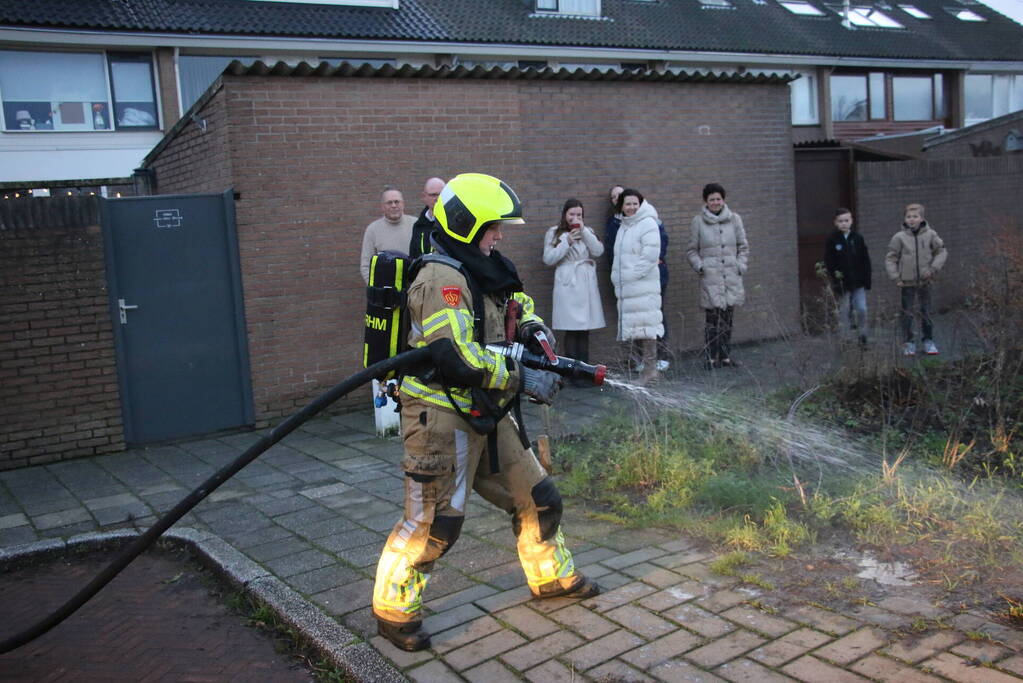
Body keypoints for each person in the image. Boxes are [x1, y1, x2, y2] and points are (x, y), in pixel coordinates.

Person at [372, 173, 601, 652]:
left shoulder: (485, 264)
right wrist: (525, 377)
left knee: (540, 498)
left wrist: (535, 332)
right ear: (465, 224)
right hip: (439, 415)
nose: (499, 235)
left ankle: (552, 579)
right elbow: (455, 358)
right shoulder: (441, 279)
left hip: (486, 409)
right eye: (493, 226)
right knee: (435, 526)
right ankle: (394, 611)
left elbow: (516, 302)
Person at [605, 185, 670, 373]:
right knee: (638, 328)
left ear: (640, 204)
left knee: (648, 327)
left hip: (643, 286)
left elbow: (650, 255)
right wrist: (617, 278)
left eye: (635, 203)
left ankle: (651, 371)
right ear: (621, 206)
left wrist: (629, 276)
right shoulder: (625, 225)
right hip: (631, 289)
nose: (631, 207)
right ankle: (647, 370)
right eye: (628, 204)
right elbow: (617, 257)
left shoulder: (647, 222)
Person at [686, 183, 749, 370]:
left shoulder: (735, 219)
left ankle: (725, 356)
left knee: (727, 319)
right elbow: (691, 250)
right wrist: (701, 266)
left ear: (723, 200)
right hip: (710, 278)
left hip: (731, 276)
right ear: (706, 201)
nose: (715, 202)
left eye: (718, 199)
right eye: (712, 199)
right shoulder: (698, 222)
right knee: (712, 320)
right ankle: (711, 358)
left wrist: (740, 265)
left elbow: (743, 246)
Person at [542, 199, 605, 376]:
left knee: (585, 329)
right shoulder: (554, 233)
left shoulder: (588, 232)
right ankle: (572, 372)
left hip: (585, 285)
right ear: (565, 215)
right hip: (568, 284)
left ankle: (586, 371)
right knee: (571, 329)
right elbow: (548, 259)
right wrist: (566, 241)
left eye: (579, 215)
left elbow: (598, 251)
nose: (575, 218)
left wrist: (584, 232)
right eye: (572, 214)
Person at [885, 203, 947, 356]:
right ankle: (908, 342)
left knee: (926, 311)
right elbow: (891, 258)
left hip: (925, 281)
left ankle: (928, 341)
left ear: (922, 218)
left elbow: (941, 251)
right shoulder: (899, 237)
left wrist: (933, 269)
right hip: (907, 282)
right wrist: (895, 276)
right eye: (908, 217)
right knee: (907, 313)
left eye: (915, 216)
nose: (911, 220)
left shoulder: (931, 234)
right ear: (905, 219)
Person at [824, 208, 872, 346]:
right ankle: (845, 338)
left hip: (858, 281)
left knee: (862, 309)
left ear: (851, 221)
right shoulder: (832, 240)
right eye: (841, 221)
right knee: (844, 311)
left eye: (846, 220)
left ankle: (863, 336)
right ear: (835, 223)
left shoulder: (857, 238)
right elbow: (829, 261)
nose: (844, 223)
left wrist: (867, 279)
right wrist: (835, 279)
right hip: (842, 283)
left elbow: (865, 260)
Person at [359, 187, 416, 283]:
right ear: (382, 207)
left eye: (397, 202)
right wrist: (376, 288)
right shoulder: (372, 230)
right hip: (387, 293)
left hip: (414, 290)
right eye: (389, 202)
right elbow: (366, 265)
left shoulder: (416, 225)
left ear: (403, 204)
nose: (394, 205)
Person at [409, 177, 445, 259]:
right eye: (433, 195)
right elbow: (413, 256)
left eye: (441, 194)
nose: (437, 198)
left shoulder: (452, 223)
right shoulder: (418, 226)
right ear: (424, 196)